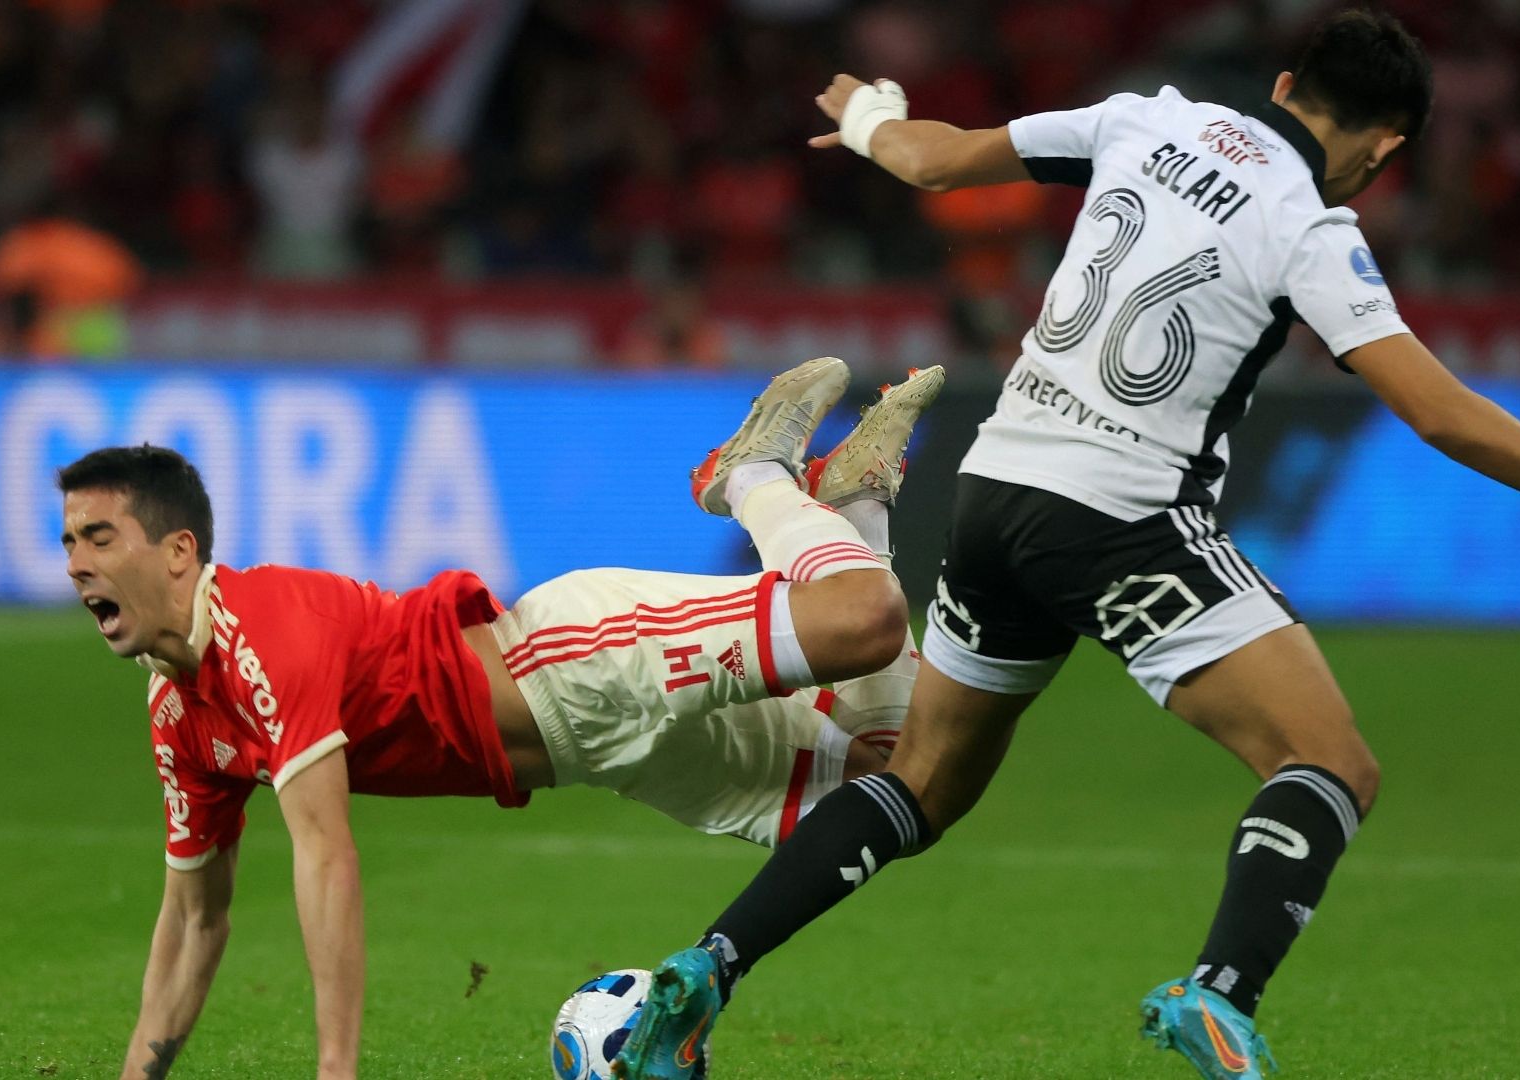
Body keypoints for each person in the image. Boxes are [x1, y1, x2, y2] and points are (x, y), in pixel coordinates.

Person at [612, 13, 1520, 1080]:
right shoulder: (1314, 228)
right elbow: (1442, 412)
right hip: (1122, 516)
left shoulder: (1139, 117)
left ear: (1279, 87)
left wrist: (867, 109)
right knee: (1329, 765)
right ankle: (1220, 992)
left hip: (994, 489)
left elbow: (931, 160)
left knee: (918, 781)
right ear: (1385, 145)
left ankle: (704, 973)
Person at [63, 357, 941, 1080]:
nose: (77, 565)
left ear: (180, 552)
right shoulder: (180, 714)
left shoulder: (263, 633)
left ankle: (747, 477)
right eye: (69, 544)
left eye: (99, 539)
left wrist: (336, 1070)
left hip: (575, 659)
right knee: (893, 781)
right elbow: (193, 918)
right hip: (599, 756)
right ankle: (860, 503)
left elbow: (325, 853)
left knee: (863, 620)